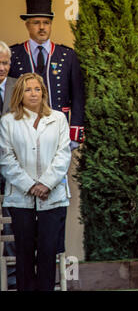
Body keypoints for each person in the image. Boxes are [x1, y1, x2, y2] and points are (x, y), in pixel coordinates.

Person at [0, 73, 71, 291]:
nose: (33, 93)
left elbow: (64, 154)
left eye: (37, 89)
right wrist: (31, 186)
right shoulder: (8, 122)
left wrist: (46, 184)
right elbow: (6, 159)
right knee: (24, 253)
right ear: (19, 94)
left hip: (53, 197)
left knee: (49, 252)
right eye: (28, 89)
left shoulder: (58, 119)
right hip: (21, 199)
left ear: (44, 93)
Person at [9, 0, 85, 149]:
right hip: (23, 132)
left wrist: (75, 131)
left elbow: (78, 95)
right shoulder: (14, 55)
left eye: (46, 23)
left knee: (57, 172)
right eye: (36, 23)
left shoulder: (67, 56)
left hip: (58, 130)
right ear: (27, 25)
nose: (42, 27)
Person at [0, 40, 17, 289]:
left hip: (12, 165)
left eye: (5, 62)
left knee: (11, 220)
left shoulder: (18, 87)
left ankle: (13, 275)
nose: (1, 67)